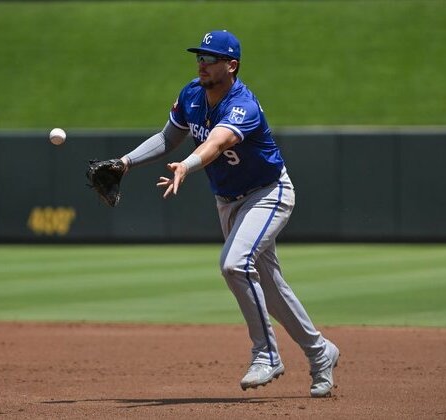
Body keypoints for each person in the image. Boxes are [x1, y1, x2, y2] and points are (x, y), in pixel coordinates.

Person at [116, 30, 339, 397]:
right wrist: (125, 163)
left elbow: (217, 142)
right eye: (199, 57)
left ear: (231, 65)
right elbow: (166, 138)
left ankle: (266, 354)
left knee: (234, 264)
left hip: (269, 194)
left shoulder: (242, 104)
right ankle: (320, 354)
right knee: (271, 287)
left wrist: (187, 165)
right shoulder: (191, 93)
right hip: (229, 201)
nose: (202, 63)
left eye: (210, 58)